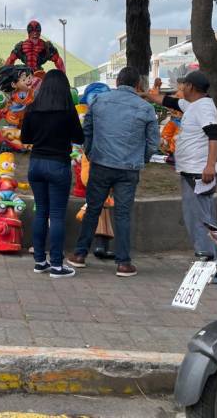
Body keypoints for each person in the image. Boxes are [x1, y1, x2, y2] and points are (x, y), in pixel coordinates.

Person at [68, 67, 159, 277]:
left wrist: (90, 152)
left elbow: (87, 130)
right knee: (123, 214)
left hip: (100, 164)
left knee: (93, 208)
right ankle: (123, 263)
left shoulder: (100, 101)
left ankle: (80, 254)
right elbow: (153, 143)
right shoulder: (145, 108)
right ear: (138, 85)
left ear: (117, 81)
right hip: (128, 168)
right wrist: (140, 158)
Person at [148, 71, 217, 262]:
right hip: (191, 171)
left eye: (184, 84)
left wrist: (210, 166)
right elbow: (164, 100)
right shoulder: (192, 105)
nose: (181, 88)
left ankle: (209, 264)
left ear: (192, 87)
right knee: (196, 218)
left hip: (199, 172)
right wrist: (145, 94)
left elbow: (214, 136)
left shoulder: (204, 108)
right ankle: (210, 262)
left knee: (199, 220)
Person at [20, 69, 83, 278]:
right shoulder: (67, 110)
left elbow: (25, 138)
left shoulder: (32, 109)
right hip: (58, 165)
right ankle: (56, 265)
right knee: (56, 215)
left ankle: (40, 261)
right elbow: (79, 138)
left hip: (36, 164)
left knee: (41, 213)